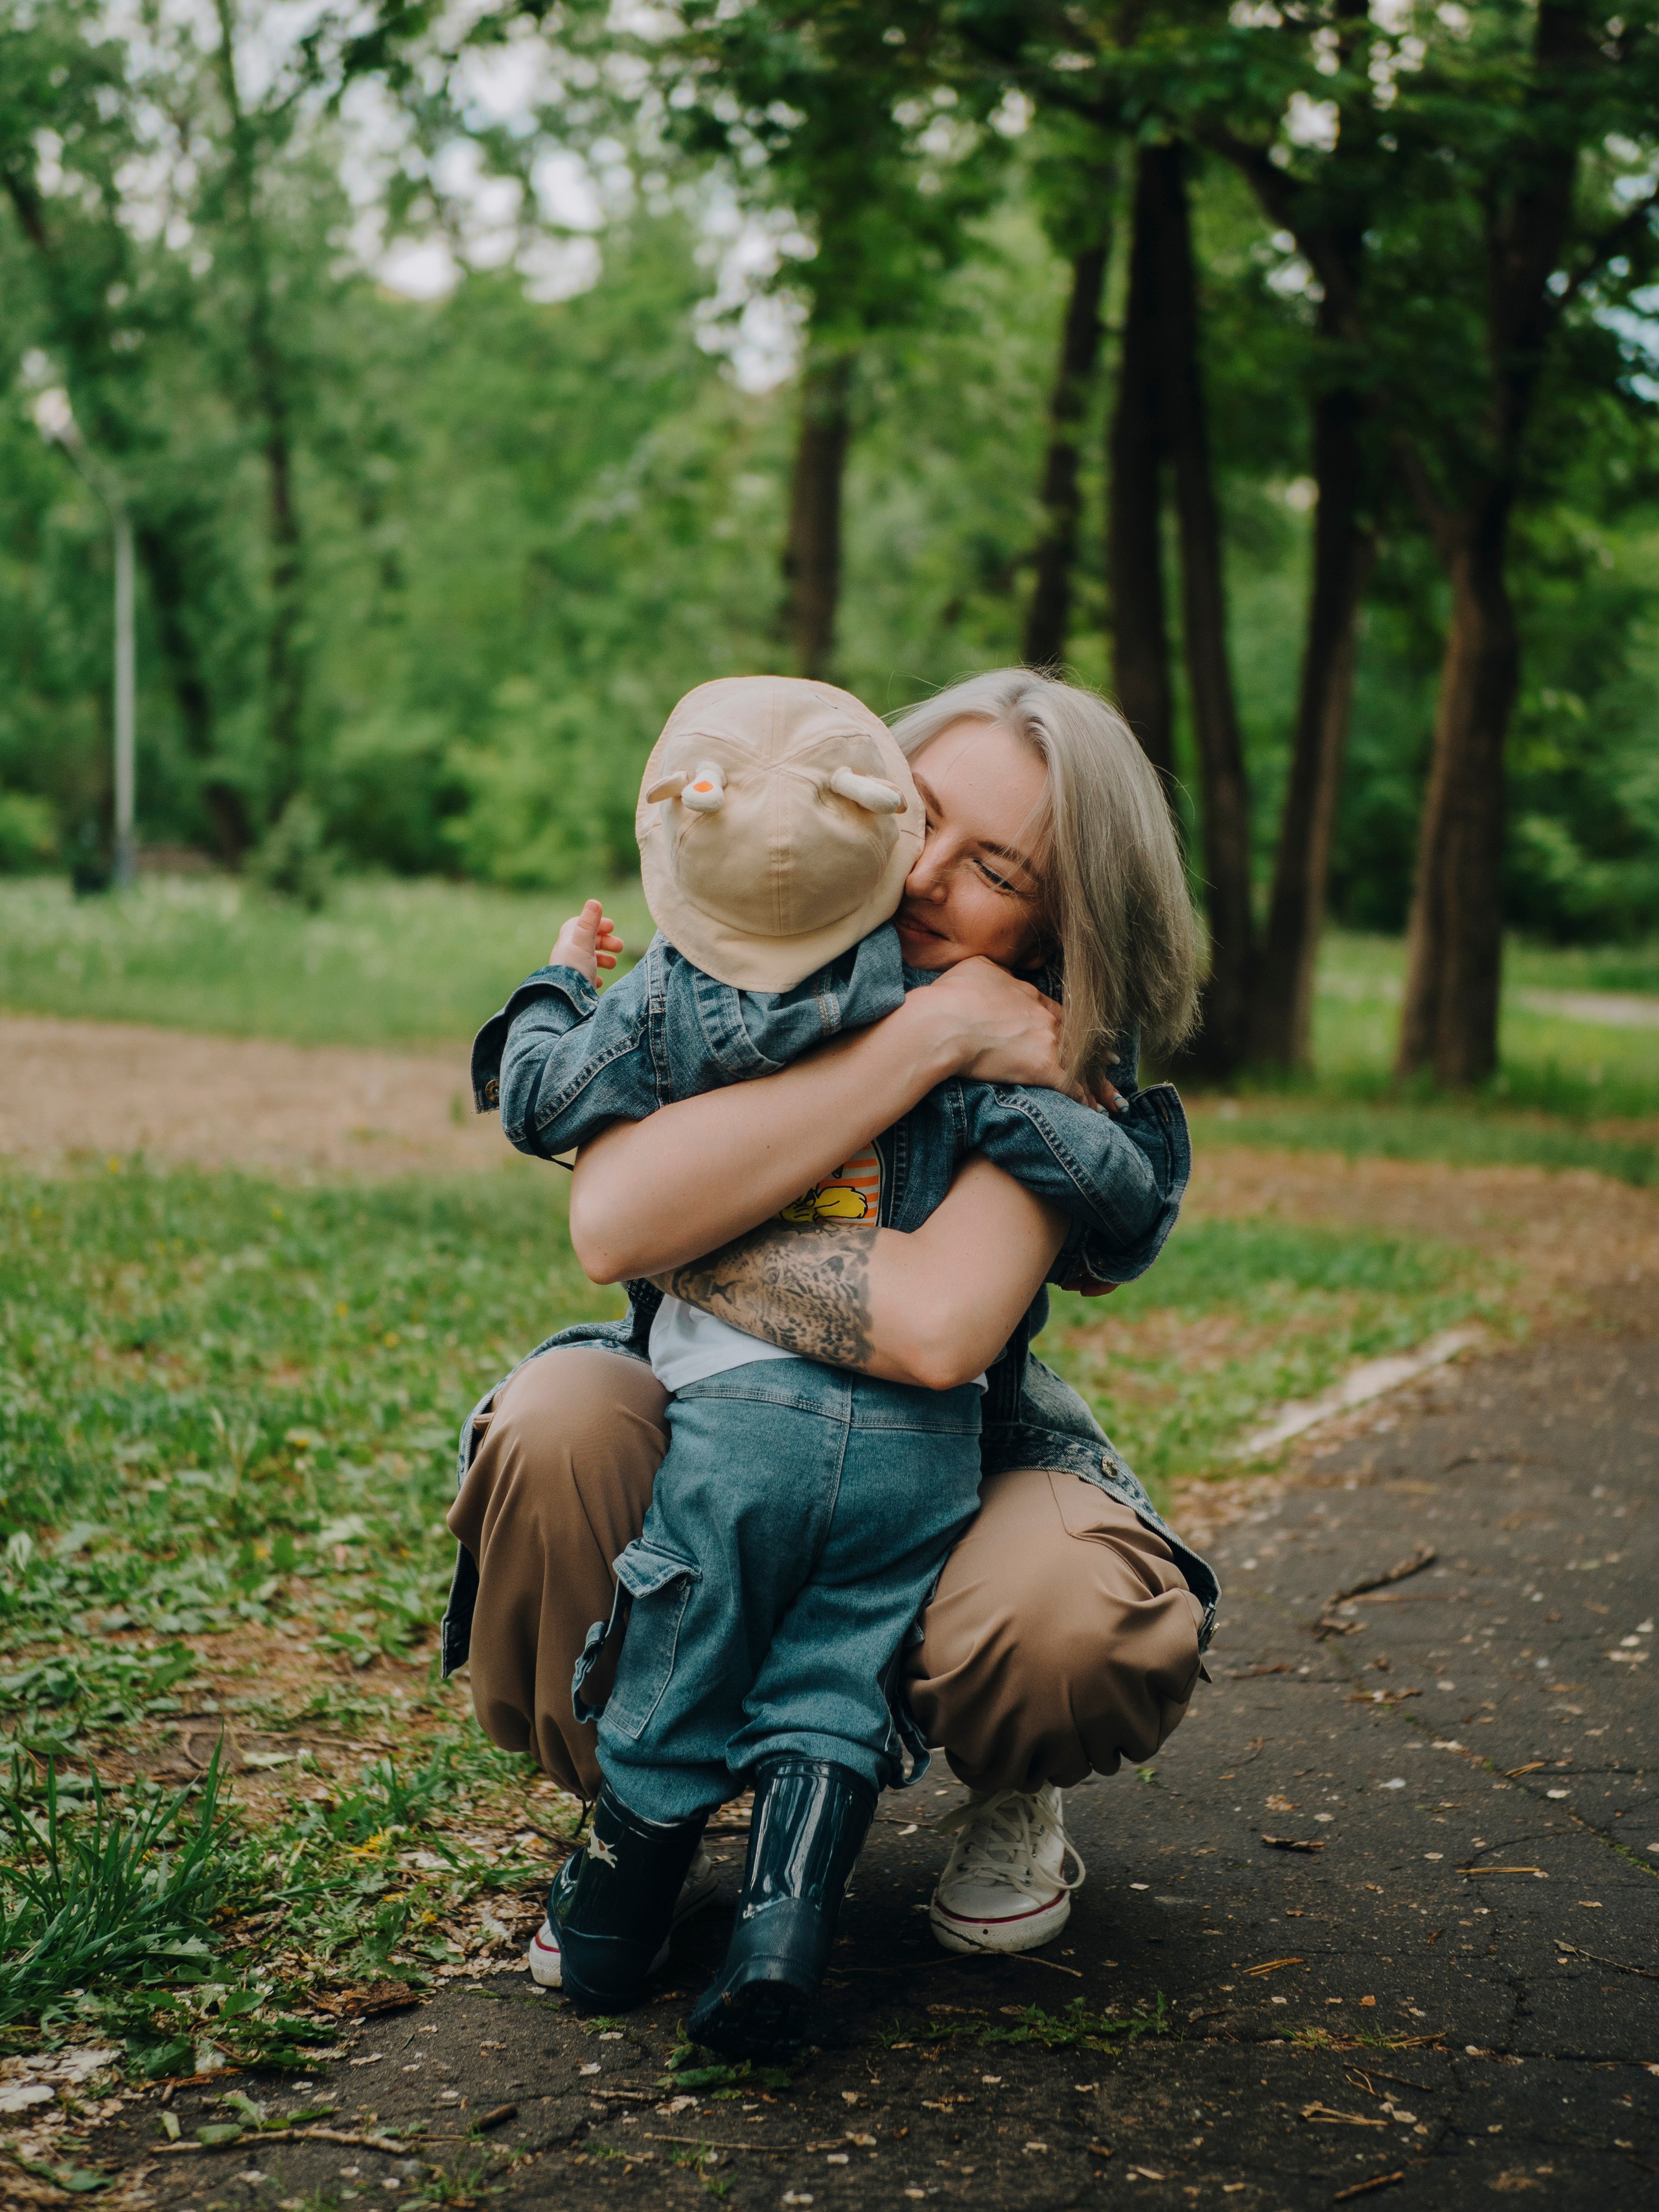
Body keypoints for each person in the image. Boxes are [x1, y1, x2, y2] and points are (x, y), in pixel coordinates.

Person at [443, 668, 1218, 2029]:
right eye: (912, 815)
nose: (924, 876)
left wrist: (693, 1206)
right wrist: (924, 1035)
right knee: (555, 1420)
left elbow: (931, 1329)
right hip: (705, 1429)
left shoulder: (1041, 1050)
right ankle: (638, 1808)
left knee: (1070, 1619)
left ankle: (1005, 1772)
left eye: (993, 868)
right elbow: (606, 1219)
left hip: (944, 1457)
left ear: (1054, 929)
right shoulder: (740, 960)